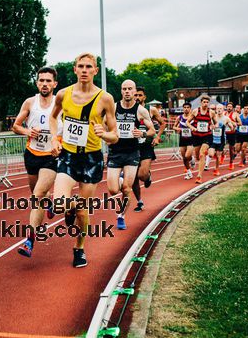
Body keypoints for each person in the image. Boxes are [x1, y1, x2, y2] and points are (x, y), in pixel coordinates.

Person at [49, 52, 117, 268]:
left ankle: (79, 248)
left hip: (92, 158)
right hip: (68, 155)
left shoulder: (105, 98)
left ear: (95, 70)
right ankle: (66, 208)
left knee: (83, 210)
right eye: (81, 66)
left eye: (89, 66)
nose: (85, 70)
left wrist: (103, 133)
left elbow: (114, 134)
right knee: (59, 205)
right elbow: (53, 117)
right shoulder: (63, 94)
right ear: (75, 69)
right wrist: (54, 138)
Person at [12, 66, 61, 258]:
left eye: (48, 81)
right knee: (37, 196)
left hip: (52, 155)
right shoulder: (30, 102)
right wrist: (27, 131)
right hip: (32, 154)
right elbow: (15, 125)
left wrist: (59, 142)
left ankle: (29, 241)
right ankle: (49, 205)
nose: (45, 84)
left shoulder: (61, 103)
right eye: (41, 80)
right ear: (37, 83)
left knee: (38, 195)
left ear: (55, 84)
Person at [106, 80, 154, 230]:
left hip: (132, 153)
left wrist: (143, 133)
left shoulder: (141, 111)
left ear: (134, 92)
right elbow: (102, 124)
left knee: (127, 188)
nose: (127, 91)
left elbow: (152, 130)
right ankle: (121, 182)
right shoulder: (113, 107)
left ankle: (121, 216)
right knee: (113, 190)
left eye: (130, 89)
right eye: (124, 89)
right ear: (121, 91)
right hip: (115, 152)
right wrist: (108, 135)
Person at [131, 87, 165, 212]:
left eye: (140, 95)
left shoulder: (151, 110)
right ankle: (139, 201)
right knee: (133, 178)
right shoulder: (128, 110)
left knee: (142, 174)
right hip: (132, 147)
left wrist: (157, 137)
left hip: (146, 146)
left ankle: (147, 176)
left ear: (144, 97)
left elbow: (163, 123)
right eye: (135, 95)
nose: (137, 98)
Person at [189, 95, 216, 183]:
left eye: (207, 102)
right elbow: (187, 122)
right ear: (201, 102)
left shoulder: (211, 112)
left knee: (202, 154)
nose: (205, 104)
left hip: (207, 135)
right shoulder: (195, 111)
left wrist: (213, 126)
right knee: (197, 156)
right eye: (204, 102)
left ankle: (199, 176)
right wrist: (192, 127)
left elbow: (216, 123)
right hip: (196, 136)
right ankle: (195, 160)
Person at [210, 105, 235, 176]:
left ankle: (217, 169)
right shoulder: (212, 118)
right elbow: (209, 125)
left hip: (221, 139)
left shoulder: (226, 118)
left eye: (220, 108)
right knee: (211, 154)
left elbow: (231, 126)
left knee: (218, 155)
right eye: (217, 108)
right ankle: (217, 155)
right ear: (215, 109)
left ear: (223, 109)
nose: (219, 110)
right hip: (213, 138)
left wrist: (231, 126)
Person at [173, 102, 194, 180]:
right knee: (184, 158)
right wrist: (179, 129)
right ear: (183, 108)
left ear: (190, 108)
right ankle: (189, 172)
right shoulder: (179, 117)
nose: (186, 109)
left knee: (187, 155)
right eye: (184, 107)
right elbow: (174, 127)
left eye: (188, 107)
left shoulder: (193, 117)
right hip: (182, 139)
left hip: (191, 139)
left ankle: (192, 159)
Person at [224, 102, 240, 170]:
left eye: (230, 106)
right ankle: (222, 155)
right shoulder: (223, 114)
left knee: (231, 148)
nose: (229, 108)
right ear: (226, 107)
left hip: (232, 133)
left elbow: (240, 123)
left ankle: (231, 162)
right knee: (220, 147)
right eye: (228, 106)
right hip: (224, 133)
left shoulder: (235, 114)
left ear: (232, 108)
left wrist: (233, 123)